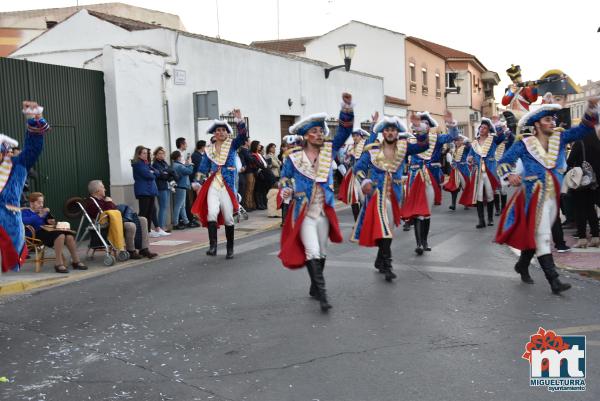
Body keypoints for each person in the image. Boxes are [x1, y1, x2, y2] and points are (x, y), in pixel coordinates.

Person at [496, 99, 600, 294]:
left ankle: (522, 264)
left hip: (553, 197)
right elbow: (504, 162)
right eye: (547, 119)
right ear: (537, 124)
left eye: (553, 119)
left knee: (537, 235)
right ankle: (554, 281)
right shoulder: (524, 144)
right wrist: (510, 175)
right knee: (544, 236)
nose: (552, 122)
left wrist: (591, 111)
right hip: (532, 197)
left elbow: (583, 130)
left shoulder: (559, 139)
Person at [279, 93, 354, 312]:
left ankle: (314, 285)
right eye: (315, 131)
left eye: (321, 131)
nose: (319, 134)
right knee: (311, 250)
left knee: (321, 252)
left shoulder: (329, 152)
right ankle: (323, 295)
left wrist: (346, 108)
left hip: (323, 211)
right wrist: (286, 189)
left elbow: (345, 131)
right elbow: (284, 178)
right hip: (303, 212)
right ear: (305, 136)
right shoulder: (293, 158)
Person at [351, 115, 429, 281]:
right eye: (387, 129)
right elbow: (358, 168)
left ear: (397, 131)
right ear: (382, 132)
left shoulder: (404, 147)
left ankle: (380, 260)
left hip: (395, 195)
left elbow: (423, 146)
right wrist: (364, 180)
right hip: (376, 195)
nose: (390, 132)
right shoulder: (373, 149)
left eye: (393, 129)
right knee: (385, 229)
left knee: (388, 230)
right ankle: (388, 265)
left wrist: (420, 129)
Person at [1, 101, 49, 273]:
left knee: (12, 260)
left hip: (10, 219)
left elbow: (34, 147)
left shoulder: (19, 164)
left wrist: (34, 118)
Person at [192, 109, 248, 259]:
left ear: (227, 132)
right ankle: (213, 246)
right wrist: (197, 181)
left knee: (229, 218)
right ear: (214, 133)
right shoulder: (208, 150)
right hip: (213, 185)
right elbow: (203, 167)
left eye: (224, 130)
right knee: (211, 213)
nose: (221, 132)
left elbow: (243, 136)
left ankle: (230, 249)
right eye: (218, 130)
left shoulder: (232, 145)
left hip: (227, 185)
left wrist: (239, 120)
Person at [403, 111, 458, 255]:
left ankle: (425, 241)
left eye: (426, 124)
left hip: (430, 179)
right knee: (417, 213)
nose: (423, 125)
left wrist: (451, 123)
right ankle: (419, 244)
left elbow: (452, 137)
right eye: (421, 123)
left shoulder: (437, 139)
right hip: (415, 179)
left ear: (429, 127)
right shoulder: (411, 140)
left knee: (426, 212)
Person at [85, 180, 157, 259]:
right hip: (108, 224)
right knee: (130, 225)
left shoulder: (103, 200)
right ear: (97, 191)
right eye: (103, 187)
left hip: (117, 220)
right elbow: (105, 214)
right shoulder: (91, 202)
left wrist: (108, 202)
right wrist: (109, 202)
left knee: (143, 219)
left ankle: (144, 249)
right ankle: (131, 251)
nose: (105, 189)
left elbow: (114, 209)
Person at [22, 192, 87, 273]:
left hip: (46, 233)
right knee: (60, 235)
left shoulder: (43, 212)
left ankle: (76, 261)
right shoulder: (25, 212)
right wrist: (38, 215)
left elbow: (49, 222)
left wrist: (51, 221)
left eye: (42, 202)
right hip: (34, 236)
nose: (41, 205)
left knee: (68, 236)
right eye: (39, 202)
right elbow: (24, 221)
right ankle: (58, 263)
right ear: (31, 203)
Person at [463, 118, 507, 228]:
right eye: (481, 127)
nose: (482, 129)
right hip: (478, 172)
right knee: (479, 196)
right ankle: (481, 220)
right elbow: (469, 154)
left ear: (488, 130)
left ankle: (490, 218)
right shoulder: (474, 143)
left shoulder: (493, 140)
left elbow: (502, 137)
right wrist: (469, 159)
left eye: (485, 128)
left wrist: (499, 127)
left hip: (490, 170)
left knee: (490, 194)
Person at [567, 128, 600, 248]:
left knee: (580, 209)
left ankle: (582, 239)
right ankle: (595, 237)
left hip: (581, 180)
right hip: (595, 181)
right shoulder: (597, 141)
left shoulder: (580, 142)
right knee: (591, 208)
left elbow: (570, 161)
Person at [339, 125, 371, 221]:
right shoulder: (351, 147)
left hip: (363, 175)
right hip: (352, 175)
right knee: (354, 199)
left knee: (363, 199)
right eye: (353, 136)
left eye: (356, 135)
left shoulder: (365, 145)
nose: (354, 138)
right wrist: (347, 156)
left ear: (361, 136)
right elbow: (344, 161)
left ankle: (363, 220)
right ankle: (357, 221)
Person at [131, 146, 159, 233]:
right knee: (144, 212)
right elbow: (148, 175)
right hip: (143, 191)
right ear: (138, 154)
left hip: (150, 190)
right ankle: (140, 231)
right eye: (144, 153)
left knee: (150, 212)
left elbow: (157, 172)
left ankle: (147, 230)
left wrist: (153, 172)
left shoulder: (146, 163)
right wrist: (152, 173)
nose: (146, 155)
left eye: (147, 153)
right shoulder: (138, 164)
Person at [442, 135, 471, 211]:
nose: (457, 142)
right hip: (455, 170)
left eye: (459, 140)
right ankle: (453, 204)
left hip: (463, 169)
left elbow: (469, 147)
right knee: (454, 187)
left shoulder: (465, 148)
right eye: (456, 140)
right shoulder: (454, 149)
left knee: (465, 187)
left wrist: (466, 141)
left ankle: (466, 203)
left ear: (462, 141)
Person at [151, 147, 172, 236]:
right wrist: (166, 174)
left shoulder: (164, 163)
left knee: (165, 206)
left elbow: (170, 173)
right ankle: (161, 227)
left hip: (166, 186)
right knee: (162, 207)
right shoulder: (155, 164)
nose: (161, 155)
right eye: (159, 153)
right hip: (160, 187)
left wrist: (167, 174)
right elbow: (161, 175)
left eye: (163, 153)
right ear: (156, 155)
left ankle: (163, 226)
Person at [171, 150, 195, 230]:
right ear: (178, 157)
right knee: (178, 206)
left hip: (179, 186)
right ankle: (175, 223)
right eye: (181, 156)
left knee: (182, 206)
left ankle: (186, 221)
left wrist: (187, 165)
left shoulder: (175, 165)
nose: (182, 157)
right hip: (181, 186)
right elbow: (189, 171)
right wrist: (190, 164)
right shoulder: (179, 166)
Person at [250, 140, 269, 210]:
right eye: (258, 145)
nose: (260, 146)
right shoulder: (253, 155)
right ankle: (259, 204)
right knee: (258, 190)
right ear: (255, 146)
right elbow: (258, 164)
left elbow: (264, 163)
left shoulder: (259, 154)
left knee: (263, 189)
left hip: (264, 172)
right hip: (258, 173)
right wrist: (263, 167)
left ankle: (263, 203)